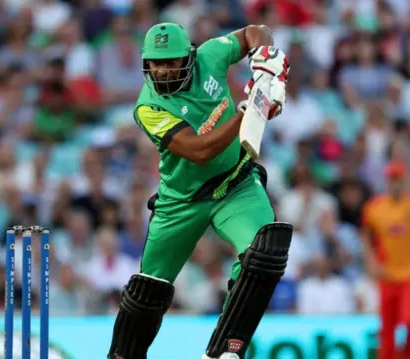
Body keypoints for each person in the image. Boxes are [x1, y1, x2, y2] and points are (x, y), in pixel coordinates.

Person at [107, 22, 292, 359]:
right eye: (155, 63)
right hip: (181, 201)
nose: (162, 71)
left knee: (266, 250)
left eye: (171, 62)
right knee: (148, 291)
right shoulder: (148, 107)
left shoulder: (210, 55)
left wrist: (265, 60)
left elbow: (256, 31)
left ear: (189, 56)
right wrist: (252, 107)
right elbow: (198, 150)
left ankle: (225, 350)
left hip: (235, 184)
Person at [360, 161, 410, 359]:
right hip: (386, 274)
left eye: (399, 179)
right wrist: (371, 262)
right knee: (387, 326)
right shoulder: (375, 208)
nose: (395, 184)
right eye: (392, 179)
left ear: (405, 181)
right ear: (387, 181)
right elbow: (367, 238)